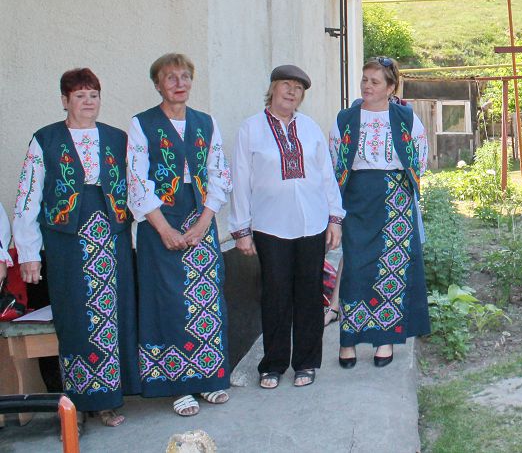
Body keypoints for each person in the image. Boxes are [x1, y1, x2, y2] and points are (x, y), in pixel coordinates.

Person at [12, 68, 140, 426]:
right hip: (66, 241)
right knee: (75, 319)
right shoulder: (46, 139)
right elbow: (28, 196)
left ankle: (108, 400)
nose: (88, 102)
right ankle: (80, 402)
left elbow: (136, 187)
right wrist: (29, 253)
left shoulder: (117, 138)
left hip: (112, 238)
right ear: (65, 100)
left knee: (112, 317)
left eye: (93, 95)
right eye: (80, 95)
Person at [127, 53, 233, 417]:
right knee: (169, 301)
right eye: (170, 77)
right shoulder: (142, 124)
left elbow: (219, 172)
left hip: (200, 215)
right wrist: (164, 229)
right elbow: (137, 180)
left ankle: (208, 378)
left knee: (206, 299)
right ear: (157, 84)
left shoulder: (206, 122)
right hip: (160, 219)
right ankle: (178, 385)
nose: (179, 83)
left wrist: (204, 223)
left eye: (185, 76)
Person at [229, 65, 344, 389]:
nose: (292, 92)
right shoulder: (251, 129)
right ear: (272, 89)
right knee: (276, 295)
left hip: (311, 224)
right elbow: (240, 179)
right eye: (286, 85)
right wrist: (241, 229)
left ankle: (306, 363)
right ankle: (273, 365)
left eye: (298, 88)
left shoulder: (309, 128)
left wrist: (335, 219)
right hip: (271, 226)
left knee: (309, 294)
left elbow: (326, 176)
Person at [330, 57, 430, 369]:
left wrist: (400, 185)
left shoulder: (406, 117)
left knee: (390, 269)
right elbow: (335, 160)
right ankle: (348, 339)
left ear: (390, 88)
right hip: (357, 197)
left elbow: (420, 156)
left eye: (375, 82)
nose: (367, 86)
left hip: (395, 199)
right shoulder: (345, 119)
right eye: (365, 80)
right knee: (355, 266)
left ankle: (384, 339)